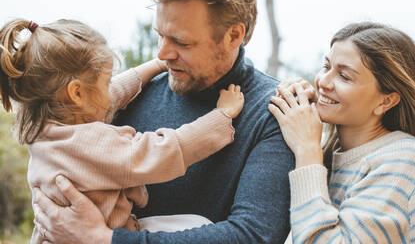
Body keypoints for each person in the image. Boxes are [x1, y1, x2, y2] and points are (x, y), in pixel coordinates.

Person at [32, 0, 294, 243]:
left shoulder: (275, 111)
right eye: (160, 36)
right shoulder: (130, 97)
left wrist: (104, 239)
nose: (163, 54)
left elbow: (253, 236)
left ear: (234, 34)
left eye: (181, 42)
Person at [0, 18, 245, 243]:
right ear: (76, 93)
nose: (111, 89)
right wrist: (221, 116)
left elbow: (108, 96)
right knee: (199, 224)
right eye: (105, 81)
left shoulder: (44, 129)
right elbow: (163, 151)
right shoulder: (92, 146)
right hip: (99, 237)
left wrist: (155, 65)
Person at [269, 22, 415, 243]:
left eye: (344, 76)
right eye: (326, 67)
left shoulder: (405, 158)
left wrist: (307, 150)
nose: (323, 82)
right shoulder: (333, 154)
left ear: (386, 101)